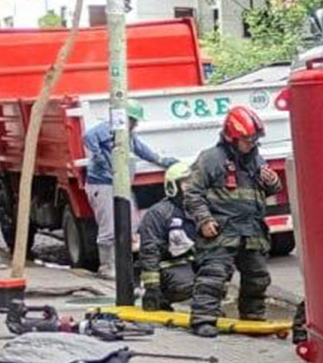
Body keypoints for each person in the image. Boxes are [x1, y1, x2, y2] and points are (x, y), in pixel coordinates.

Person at [180, 106, 280, 337]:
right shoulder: (211, 159)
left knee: (258, 277)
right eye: (247, 139)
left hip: (252, 230)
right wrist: (204, 220)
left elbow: (266, 191)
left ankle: (253, 318)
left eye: (255, 138)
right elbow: (192, 193)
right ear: (231, 137)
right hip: (222, 230)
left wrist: (272, 183)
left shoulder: (255, 159)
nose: (252, 143)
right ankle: (204, 319)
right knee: (214, 275)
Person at [83, 98, 173, 275]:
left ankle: (124, 266)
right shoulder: (107, 130)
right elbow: (88, 137)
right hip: (103, 185)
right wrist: (99, 155)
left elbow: (141, 149)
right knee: (109, 229)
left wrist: (161, 160)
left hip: (121, 184)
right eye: (134, 120)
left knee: (132, 225)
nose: (136, 124)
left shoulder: (127, 134)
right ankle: (107, 267)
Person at [135, 159, 199, 311]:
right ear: (173, 187)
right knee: (186, 285)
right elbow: (150, 251)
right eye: (185, 184)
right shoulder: (159, 214)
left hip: (192, 262)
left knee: (216, 277)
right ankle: (161, 298)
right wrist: (152, 288)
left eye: (193, 184)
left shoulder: (199, 210)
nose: (190, 188)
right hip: (168, 266)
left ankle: (204, 306)